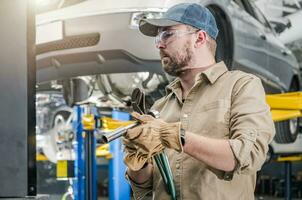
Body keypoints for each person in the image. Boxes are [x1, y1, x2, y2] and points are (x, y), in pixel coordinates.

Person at [123, 3, 275, 200]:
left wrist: (178, 136)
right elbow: (146, 189)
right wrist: (139, 162)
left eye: (167, 34)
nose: (159, 44)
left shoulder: (241, 86)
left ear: (200, 38)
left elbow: (249, 155)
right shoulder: (160, 108)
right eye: (158, 37)